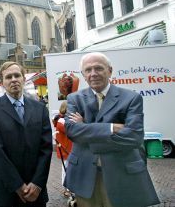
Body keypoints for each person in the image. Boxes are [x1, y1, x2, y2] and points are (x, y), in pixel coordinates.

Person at [65, 52, 159, 207]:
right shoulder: (74, 98)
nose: (93, 74)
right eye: (88, 70)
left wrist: (86, 130)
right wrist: (111, 127)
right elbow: (72, 131)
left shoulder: (131, 98)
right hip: (85, 174)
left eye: (98, 68)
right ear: (83, 74)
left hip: (121, 174)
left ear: (110, 70)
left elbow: (134, 137)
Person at [0, 61, 52, 207]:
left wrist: (37, 183)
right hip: (5, 191)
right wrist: (17, 185)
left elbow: (45, 149)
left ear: (24, 79)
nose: (13, 79)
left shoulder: (40, 108)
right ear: (2, 83)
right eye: (8, 77)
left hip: (36, 192)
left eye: (17, 75)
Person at [52, 101, 72, 197]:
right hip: (66, 149)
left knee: (67, 169)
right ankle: (67, 189)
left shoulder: (61, 119)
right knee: (66, 169)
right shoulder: (62, 121)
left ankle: (68, 188)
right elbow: (72, 131)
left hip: (67, 149)